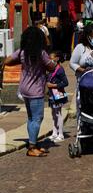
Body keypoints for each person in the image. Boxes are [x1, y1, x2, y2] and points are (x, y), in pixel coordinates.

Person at [1, 27, 56, 157]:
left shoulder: (22, 52)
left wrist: (20, 62)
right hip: (36, 90)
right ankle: (32, 147)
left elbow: (7, 61)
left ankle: (34, 143)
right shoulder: (41, 53)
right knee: (37, 118)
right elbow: (51, 66)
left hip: (24, 88)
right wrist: (53, 61)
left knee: (31, 118)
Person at [47, 51, 69, 143]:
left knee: (58, 114)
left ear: (57, 59)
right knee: (53, 114)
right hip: (51, 95)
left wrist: (53, 85)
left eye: (52, 59)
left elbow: (65, 82)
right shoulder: (50, 69)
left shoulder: (60, 69)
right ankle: (54, 133)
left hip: (58, 94)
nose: (50, 61)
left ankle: (61, 134)